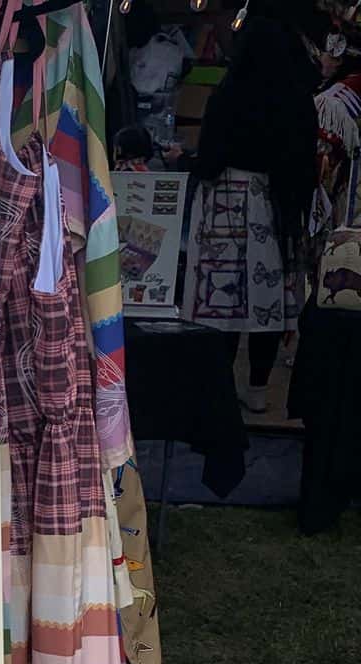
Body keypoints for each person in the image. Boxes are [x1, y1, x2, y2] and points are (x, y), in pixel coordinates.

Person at [181, 15, 319, 414]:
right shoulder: (295, 94)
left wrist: (194, 163)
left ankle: (220, 385)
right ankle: (258, 388)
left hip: (225, 196)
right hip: (272, 201)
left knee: (221, 302)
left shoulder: (231, 90)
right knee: (266, 299)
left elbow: (210, 152)